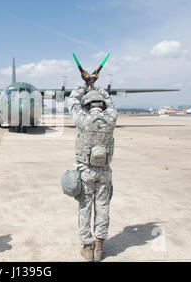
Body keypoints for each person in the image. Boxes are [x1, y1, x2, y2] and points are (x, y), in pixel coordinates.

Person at [68, 86, 117, 262]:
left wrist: (84, 86)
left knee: (85, 208)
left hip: (86, 171)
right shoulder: (111, 118)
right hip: (104, 171)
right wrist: (98, 88)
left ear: (87, 105)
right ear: (102, 105)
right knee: (103, 207)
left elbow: (72, 100)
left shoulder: (83, 119)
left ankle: (87, 248)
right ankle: (100, 247)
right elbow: (111, 102)